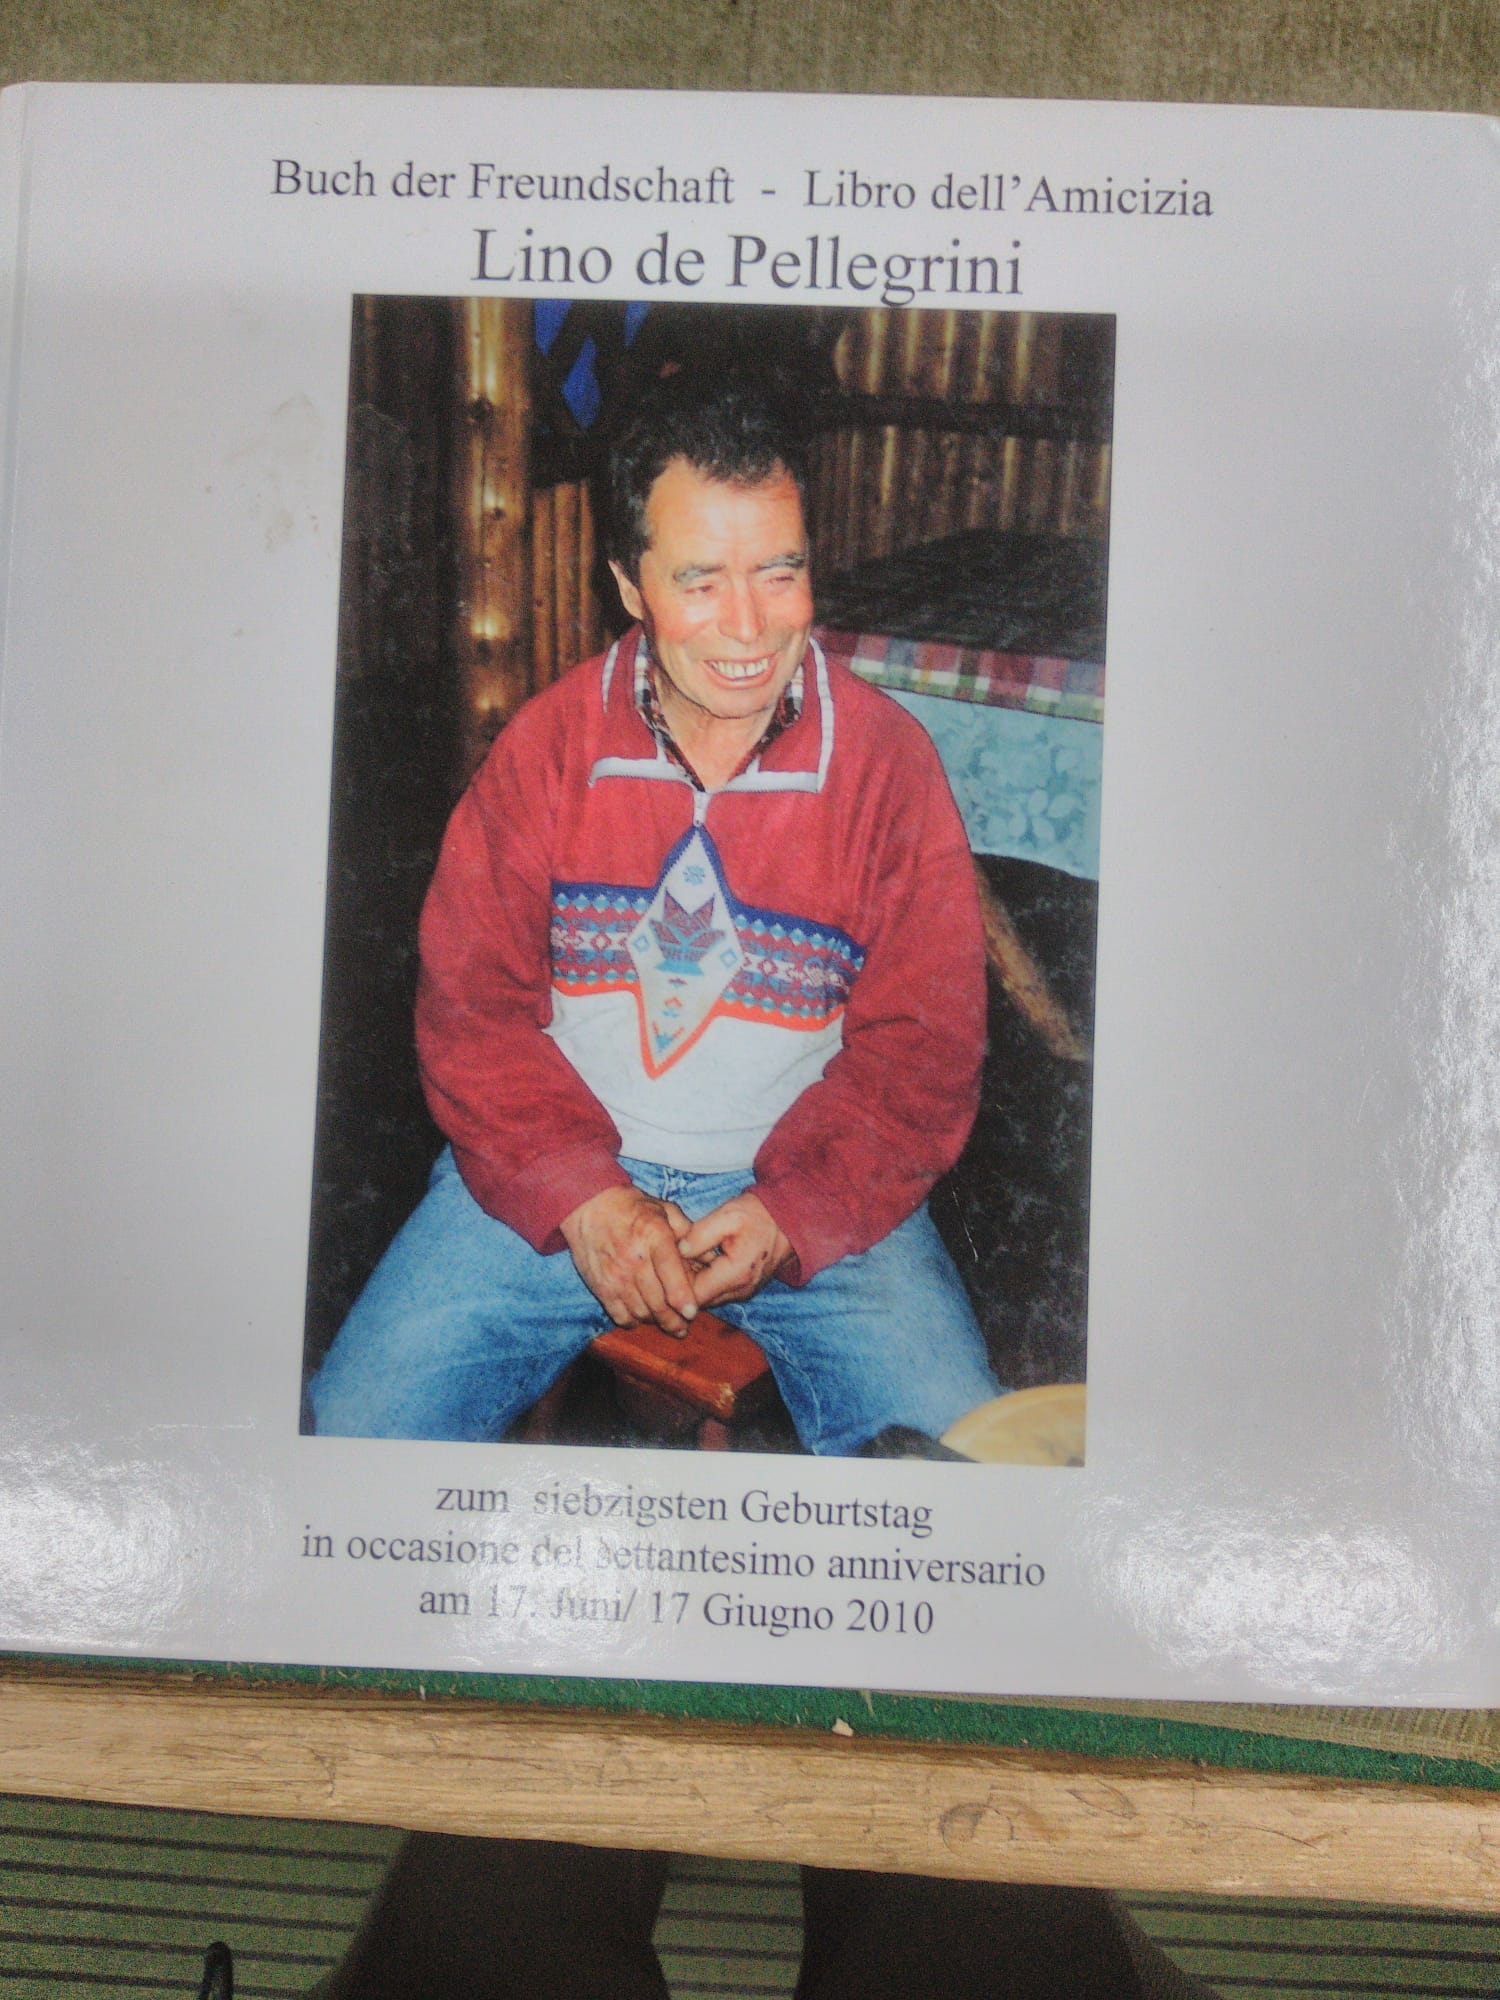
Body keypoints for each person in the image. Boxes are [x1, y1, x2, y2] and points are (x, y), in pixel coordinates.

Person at [308, 364, 1002, 1455]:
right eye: (699, 581)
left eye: (779, 572)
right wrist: (584, 1195)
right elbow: (471, 1009)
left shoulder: (886, 767)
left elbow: (927, 1047)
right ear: (629, 586)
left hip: (806, 1182)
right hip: (557, 1173)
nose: (748, 627)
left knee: (967, 1463)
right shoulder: (547, 750)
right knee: (352, 1436)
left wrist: (795, 1212)